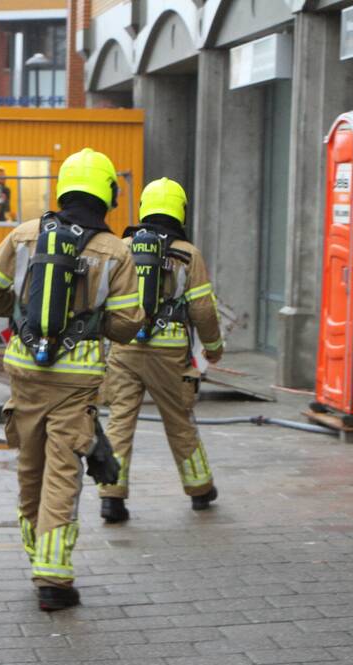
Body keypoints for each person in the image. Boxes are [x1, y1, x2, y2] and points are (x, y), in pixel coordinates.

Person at [0, 148, 144, 611]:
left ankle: (36, 550)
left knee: (30, 465)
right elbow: (129, 323)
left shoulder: (26, 235)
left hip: (25, 370)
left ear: (63, 188)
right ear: (107, 193)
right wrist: (95, 323)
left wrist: (21, 311)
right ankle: (53, 575)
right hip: (78, 378)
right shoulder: (116, 251)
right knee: (63, 470)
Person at [98, 177, 225, 523]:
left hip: (124, 346)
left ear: (144, 208)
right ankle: (200, 490)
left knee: (120, 420)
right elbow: (202, 309)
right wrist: (213, 348)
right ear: (179, 210)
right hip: (169, 351)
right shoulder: (188, 254)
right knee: (179, 421)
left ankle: (111, 496)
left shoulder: (122, 246)